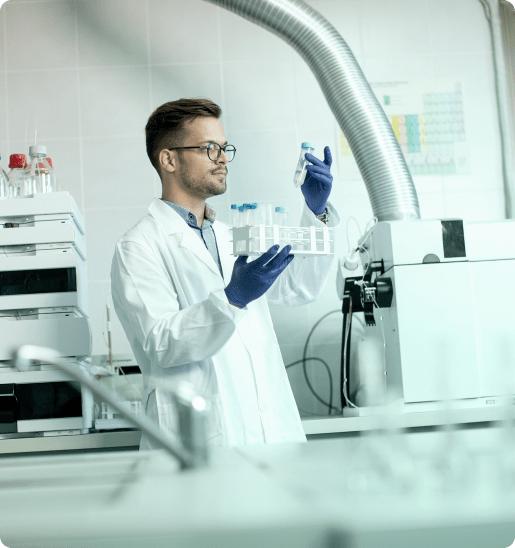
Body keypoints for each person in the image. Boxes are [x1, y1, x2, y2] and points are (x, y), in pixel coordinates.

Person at [110, 98, 340, 450]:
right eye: (209, 148)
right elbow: (161, 344)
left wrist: (316, 211)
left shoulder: (234, 236)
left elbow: (299, 288)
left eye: (224, 147)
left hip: (269, 434)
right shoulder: (139, 246)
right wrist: (232, 298)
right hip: (199, 442)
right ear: (169, 159)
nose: (222, 158)